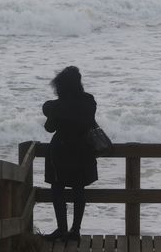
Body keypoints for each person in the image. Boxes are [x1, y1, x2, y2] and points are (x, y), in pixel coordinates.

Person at [42, 66, 98, 242]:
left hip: (61, 151)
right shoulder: (89, 101)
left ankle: (61, 229)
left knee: (57, 189)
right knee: (79, 189)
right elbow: (91, 122)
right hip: (83, 151)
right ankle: (75, 231)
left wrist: (50, 109)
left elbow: (49, 128)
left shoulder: (59, 105)